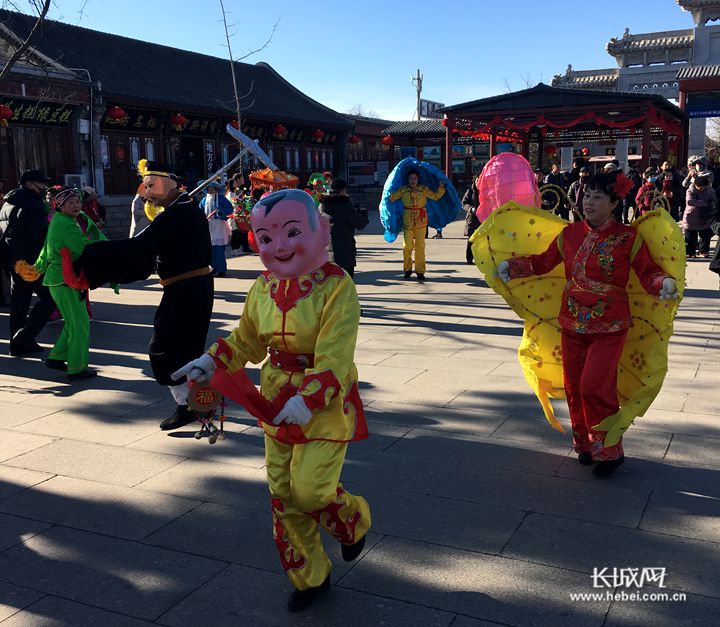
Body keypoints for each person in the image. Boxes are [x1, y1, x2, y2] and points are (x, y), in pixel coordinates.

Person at [173, 189, 371, 612]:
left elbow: (336, 355)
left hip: (323, 403)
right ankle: (310, 575)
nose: (279, 246)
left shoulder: (337, 287)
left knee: (312, 490)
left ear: (323, 232)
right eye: (265, 237)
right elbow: (246, 339)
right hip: (274, 399)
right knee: (282, 492)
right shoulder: (262, 287)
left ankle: (353, 522)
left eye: (293, 232)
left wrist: (309, 398)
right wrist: (209, 362)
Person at [495, 171, 679, 476]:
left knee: (595, 386)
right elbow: (542, 262)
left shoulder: (628, 238)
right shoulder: (569, 234)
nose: (588, 201)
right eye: (586, 194)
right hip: (571, 322)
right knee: (574, 387)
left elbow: (648, 272)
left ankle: (609, 450)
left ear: (614, 202)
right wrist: (513, 267)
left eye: (597, 197)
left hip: (610, 325)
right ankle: (583, 443)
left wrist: (663, 282)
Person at [67, 160, 213, 430]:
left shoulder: (176, 214)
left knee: (165, 350)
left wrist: (92, 254)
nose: (147, 191)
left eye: (151, 184)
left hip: (186, 290)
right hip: (190, 289)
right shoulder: (182, 209)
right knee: (184, 349)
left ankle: (190, 406)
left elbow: (140, 246)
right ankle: (196, 403)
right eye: (146, 185)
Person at [26, 188, 106, 379]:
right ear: (60, 206)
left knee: (74, 322)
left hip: (62, 279)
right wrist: (109, 251)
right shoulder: (65, 224)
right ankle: (76, 368)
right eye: (71, 203)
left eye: (78, 202)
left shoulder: (63, 221)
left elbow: (45, 250)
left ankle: (56, 357)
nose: (77, 205)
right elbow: (82, 247)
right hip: (64, 279)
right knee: (80, 324)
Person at [0, 169, 56, 356]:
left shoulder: (7, 203)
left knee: (20, 303)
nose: (44, 188)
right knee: (50, 298)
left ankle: (16, 345)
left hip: (13, 262)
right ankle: (25, 336)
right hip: (31, 263)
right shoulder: (32, 203)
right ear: (30, 184)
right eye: (41, 184)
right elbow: (40, 235)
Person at [388, 169, 445, 280]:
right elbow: (391, 197)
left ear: (418, 179)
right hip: (408, 221)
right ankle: (407, 269)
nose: (412, 181)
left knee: (420, 246)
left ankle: (420, 271)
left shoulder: (423, 189)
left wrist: (441, 187)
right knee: (407, 246)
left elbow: (435, 196)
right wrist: (389, 189)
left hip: (421, 220)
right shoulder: (403, 190)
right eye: (410, 178)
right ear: (407, 180)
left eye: (414, 178)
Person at [318, 177, 369, 278]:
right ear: (343, 190)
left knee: (331, 288)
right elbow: (360, 224)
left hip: (326, 254)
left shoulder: (321, 205)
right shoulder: (344, 204)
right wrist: (363, 214)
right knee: (346, 287)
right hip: (345, 253)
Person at [199, 179, 233, 277]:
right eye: (209, 188)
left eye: (212, 188)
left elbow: (230, 209)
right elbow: (200, 211)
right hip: (208, 226)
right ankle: (214, 267)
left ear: (216, 189)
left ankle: (222, 269)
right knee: (211, 249)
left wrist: (220, 210)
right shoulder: (204, 200)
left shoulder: (221, 199)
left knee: (219, 249)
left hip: (219, 225)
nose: (210, 190)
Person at [682, 173, 717, 258]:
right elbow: (689, 201)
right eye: (699, 187)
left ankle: (703, 251)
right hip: (691, 216)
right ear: (695, 184)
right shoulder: (690, 190)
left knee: (705, 235)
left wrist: (712, 204)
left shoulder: (709, 190)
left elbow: (714, 199)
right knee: (690, 236)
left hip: (704, 216)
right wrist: (703, 203)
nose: (700, 188)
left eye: (703, 187)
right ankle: (691, 252)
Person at [462, 176, 480, 264]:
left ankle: (480, 258)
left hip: (481, 218)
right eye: (477, 180)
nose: (479, 182)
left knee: (481, 239)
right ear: (474, 181)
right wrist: (471, 209)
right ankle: (469, 258)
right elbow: (464, 203)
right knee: (471, 239)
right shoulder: (470, 191)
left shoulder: (485, 191)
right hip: (472, 218)